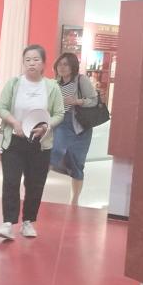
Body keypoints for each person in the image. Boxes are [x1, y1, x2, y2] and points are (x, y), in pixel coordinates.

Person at [0, 44, 65, 240]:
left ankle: (28, 221)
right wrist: (14, 122)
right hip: (14, 142)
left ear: (43, 64)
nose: (31, 63)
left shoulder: (51, 87)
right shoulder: (14, 83)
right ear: (23, 63)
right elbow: (0, 107)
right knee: (11, 181)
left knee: (35, 184)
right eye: (27, 60)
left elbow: (59, 113)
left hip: (39, 144)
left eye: (36, 60)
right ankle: (8, 222)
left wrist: (46, 126)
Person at [50, 52, 98, 205]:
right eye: (59, 64)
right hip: (61, 123)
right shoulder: (55, 83)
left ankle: (75, 200)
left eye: (66, 64)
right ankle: (35, 186)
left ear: (73, 66)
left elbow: (94, 100)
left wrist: (77, 101)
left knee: (77, 164)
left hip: (80, 126)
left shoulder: (81, 80)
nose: (62, 67)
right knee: (54, 151)